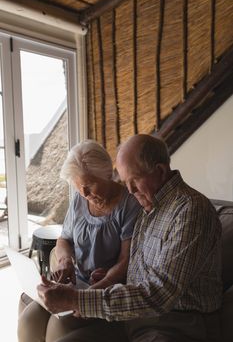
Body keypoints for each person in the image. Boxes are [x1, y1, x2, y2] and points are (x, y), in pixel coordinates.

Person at [38, 134, 223, 342]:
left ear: (160, 171)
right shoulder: (150, 206)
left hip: (174, 323)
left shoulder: (190, 210)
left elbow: (160, 294)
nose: (130, 191)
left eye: (133, 181)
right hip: (136, 316)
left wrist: (78, 300)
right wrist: (107, 278)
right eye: (126, 183)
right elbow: (137, 267)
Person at [18, 139, 141, 342]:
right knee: (29, 320)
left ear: (108, 175)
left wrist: (98, 286)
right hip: (77, 284)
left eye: (89, 186)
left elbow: (125, 261)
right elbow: (64, 239)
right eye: (78, 187)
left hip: (105, 291)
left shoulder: (129, 204)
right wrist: (66, 261)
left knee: (57, 326)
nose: (84, 193)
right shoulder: (79, 199)